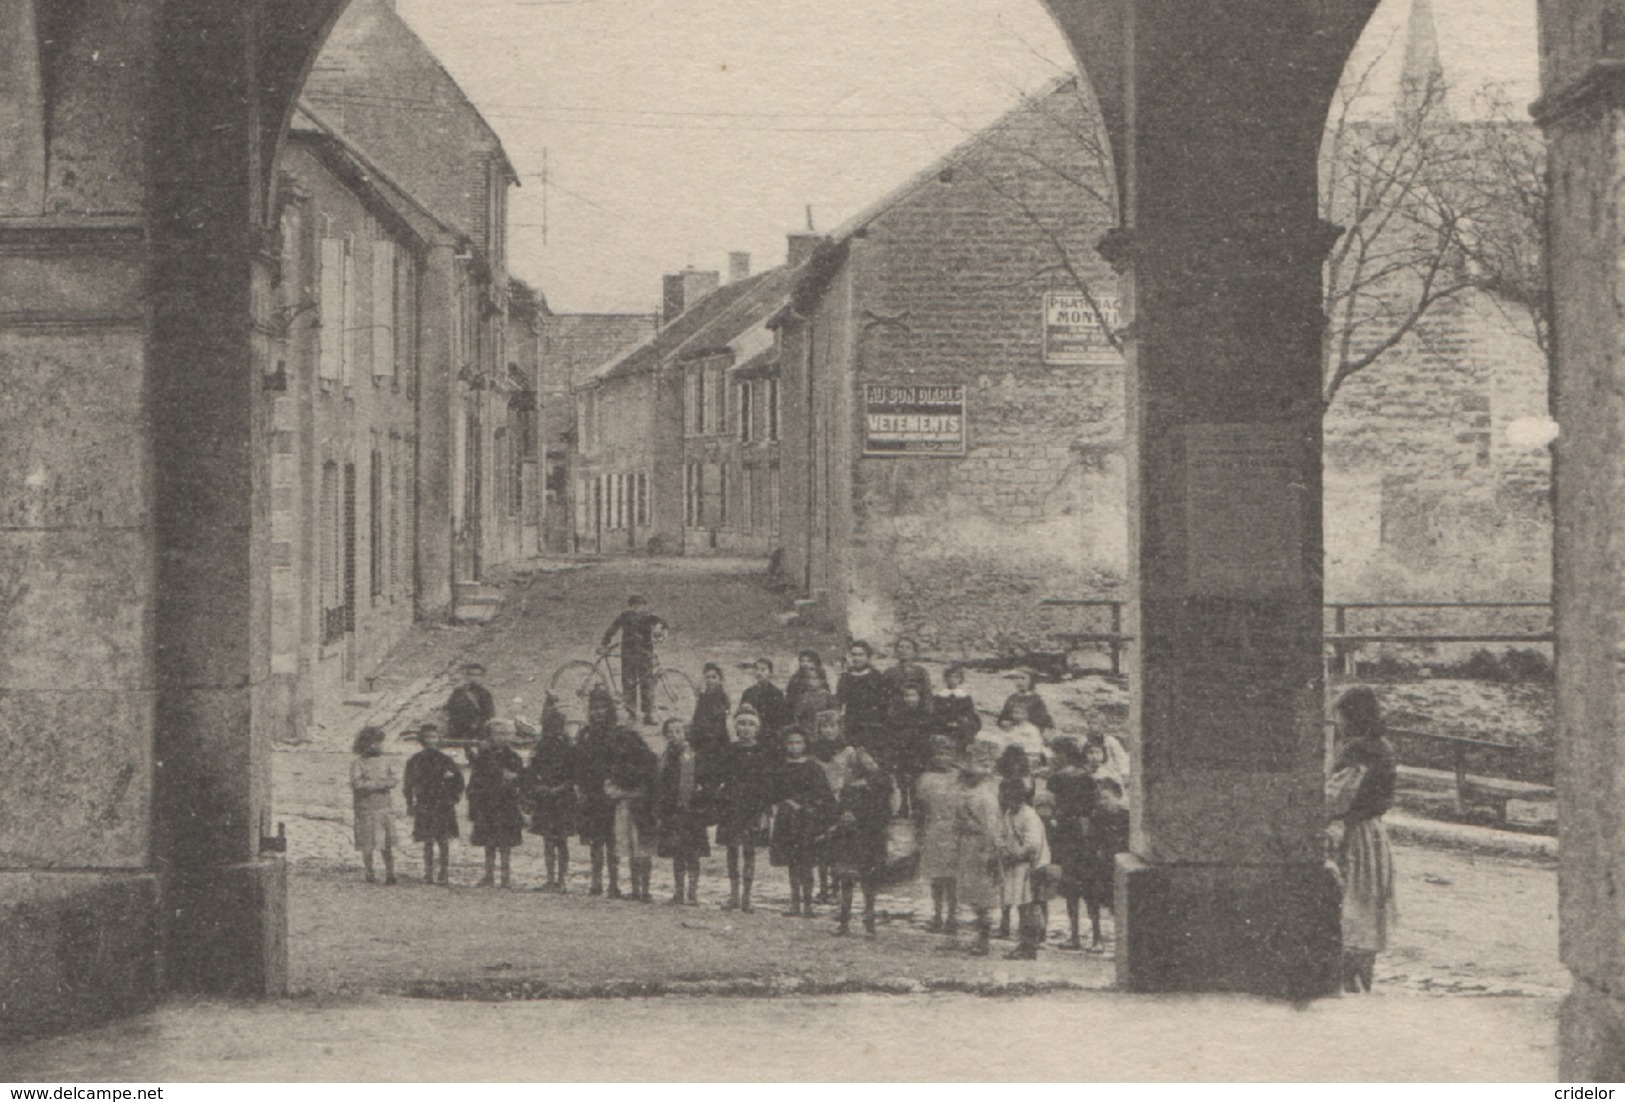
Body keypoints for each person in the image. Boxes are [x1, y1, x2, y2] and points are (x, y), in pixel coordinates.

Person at [1329, 686, 1399, 993]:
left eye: (1341, 717)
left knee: (1350, 910)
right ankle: (1363, 983)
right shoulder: (1383, 746)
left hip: (1354, 835)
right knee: (1369, 912)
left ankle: (1349, 986)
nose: (1339, 724)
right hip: (1374, 835)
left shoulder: (1356, 749)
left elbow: (1337, 797)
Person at [823, 750, 894, 938]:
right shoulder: (849, 781)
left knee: (868, 883)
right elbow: (840, 805)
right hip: (849, 837)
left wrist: (860, 817)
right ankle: (844, 921)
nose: (867, 764)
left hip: (870, 837)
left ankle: (869, 924)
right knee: (845, 880)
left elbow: (884, 810)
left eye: (870, 761)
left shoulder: (883, 782)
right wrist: (844, 814)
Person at [714, 706, 775, 912]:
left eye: (750, 724)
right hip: (732, 805)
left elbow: (767, 783)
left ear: (757, 728)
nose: (746, 728)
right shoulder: (729, 750)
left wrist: (765, 810)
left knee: (749, 850)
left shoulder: (763, 752)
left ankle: (747, 896)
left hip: (753, 807)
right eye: (741, 724)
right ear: (736, 727)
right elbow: (720, 776)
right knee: (732, 849)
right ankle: (733, 895)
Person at [769, 728, 835, 917]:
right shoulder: (781, 767)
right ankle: (794, 902)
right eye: (790, 743)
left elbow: (823, 793)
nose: (794, 746)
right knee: (792, 862)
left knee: (806, 862)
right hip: (787, 819)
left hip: (807, 819)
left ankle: (808, 904)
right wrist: (787, 802)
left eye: (798, 742)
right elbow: (774, 791)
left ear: (805, 744)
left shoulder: (813, 767)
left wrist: (805, 804)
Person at [949, 740, 1005, 955]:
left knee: (982, 895)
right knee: (971, 893)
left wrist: (989, 851)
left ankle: (984, 939)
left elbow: (990, 828)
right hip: (967, 847)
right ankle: (976, 936)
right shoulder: (965, 792)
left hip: (981, 848)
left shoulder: (985, 796)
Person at [1044, 737, 1098, 950]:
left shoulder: (1057, 779)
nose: (1052, 758)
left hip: (1070, 835)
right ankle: (1090, 938)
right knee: (1082, 886)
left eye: (1055, 753)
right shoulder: (1084, 777)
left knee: (1075, 886)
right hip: (1078, 835)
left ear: (1063, 755)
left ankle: (1079, 936)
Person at [573, 686, 624, 896]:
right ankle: (596, 881)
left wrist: (615, 783)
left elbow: (622, 761)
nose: (597, 712)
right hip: (591, 792)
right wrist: (581, 787)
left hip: (610, 792)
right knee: (595, 840)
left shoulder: (617, 733)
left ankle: (614, 882)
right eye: (594, 708)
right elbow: (578, 762)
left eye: (602, 708)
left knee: (612, 840)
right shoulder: (585, 733)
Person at [655, 717, 711, 905]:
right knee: (677, 852)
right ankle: (679, 891)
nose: (674, 735)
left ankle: (693, 893)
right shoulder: (664, 756)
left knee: (693, 853)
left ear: (685, 733)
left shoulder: (693, 755)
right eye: (670, 732)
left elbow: (702, 779)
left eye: (678, 731)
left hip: (692, 811)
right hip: (673, 811)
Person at [525, 698, 578, 893]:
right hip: (547, 796)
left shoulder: (569, 747)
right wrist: (540, 787)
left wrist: (559, 787)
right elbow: (532, 770)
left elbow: (575, 773)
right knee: (549, 839)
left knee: (560, 840)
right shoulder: (542, 747)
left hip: (562, 796)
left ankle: (561, 879)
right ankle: (551, 879)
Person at [606, 717, 660, 903]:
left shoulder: (647, 761)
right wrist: (629, 793)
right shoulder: (616, 762)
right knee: (631, 848)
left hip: (641, 811)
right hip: (625, 809)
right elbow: (609, 787)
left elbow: (650, 787)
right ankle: (637, 888)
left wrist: (630, 794)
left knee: (642, 848)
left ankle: (644, 889)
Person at [997, 775, 1052, 960]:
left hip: (1031, 866)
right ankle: (1025, 944)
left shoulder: (1028, 815)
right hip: (1016, 865)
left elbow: (1033, 844)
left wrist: (1016, 855)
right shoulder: (1009, 814)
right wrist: (1004, 850)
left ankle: (1030, 945)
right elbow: (1003, 835)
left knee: (1028, 906)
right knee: (1021, 905)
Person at [466, 719, 525, 888]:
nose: (502, 737)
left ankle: (505, 877)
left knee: (506, 843)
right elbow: (477, 778)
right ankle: (489, 875)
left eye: (506, 734)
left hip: (507, 803)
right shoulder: (483, 757)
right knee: (489, 842)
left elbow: (517, 778)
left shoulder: (513, 757)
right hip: (487, 803)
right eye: (498, 733)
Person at [403, 722, 463, 886]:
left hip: (443, 804)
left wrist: (454, 798)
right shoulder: (415, 760)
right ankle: (428, 873)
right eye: (427, 737)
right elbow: (408, 784)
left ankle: (443, 872)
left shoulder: (446, 760)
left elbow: (459, 781)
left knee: (443, 840)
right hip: (425, 803)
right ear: (422, 739)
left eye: (434, 737)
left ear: (439, 739)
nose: (431, 740)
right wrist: (410, 803)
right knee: (427, 840)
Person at [914, 734, 963, 934]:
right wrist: (919, 834)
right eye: (938, 754)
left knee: (954, 877)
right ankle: (937, 914)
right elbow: (920, 809)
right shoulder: (925, 779)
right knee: (936, 876)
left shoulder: (960, 777)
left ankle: (952, 917)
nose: (943, 758)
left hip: (956, 830)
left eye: (947, 753)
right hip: (934, 829)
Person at [1079, 774, 1129, 953]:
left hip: (1117, 864)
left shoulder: (1126, 817)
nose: (1102, 802)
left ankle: (1122, 940)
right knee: (1092, 898)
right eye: (1099, 798)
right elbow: (1090, 841)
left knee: (1118, 905)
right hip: (1099, 865)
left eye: (1106, 798)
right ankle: (1096, 937)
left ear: (1118, 796)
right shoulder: (1096, 817)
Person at [600, 594, 667, 725]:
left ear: (644, 606)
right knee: (629, 683)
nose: (637, 608)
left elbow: (663, 624)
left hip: (645, 654)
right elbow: (613, 628)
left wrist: (660, 632)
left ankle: (648, 714)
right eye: (634, 605)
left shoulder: (650, 616)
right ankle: (631, 713)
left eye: (640, 605)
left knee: (646, 683)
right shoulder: (625, 616)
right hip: (629, 654)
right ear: (630, 606)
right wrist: (605, 641)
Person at [349, 726, 398, 885]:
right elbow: (357, 784)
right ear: (369, 744)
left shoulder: (385, 762)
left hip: (384, 808)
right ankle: (370, 872)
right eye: (378, 743)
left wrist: (388, 783)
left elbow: (393, 779)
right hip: (366, 809)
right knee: (367, 843)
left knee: (387, 843)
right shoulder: (358, 763)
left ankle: (390, 873)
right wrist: (378, 785)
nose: (381, 746)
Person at [880, 682, 934, 817]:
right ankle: (903, 807)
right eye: (906, 695)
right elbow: (890, 736)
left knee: (919, 785)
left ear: (919, 697)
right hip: (902, 754)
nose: (910, 698)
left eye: (913, 695)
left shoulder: (926, 715)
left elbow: (929, 737)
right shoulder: (896, 716)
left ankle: (918, 810)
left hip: (920, 754)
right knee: (902, 784)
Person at [837, 641, 891, 757]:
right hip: (852, 722)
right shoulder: (846, 677)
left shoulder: (876, 676)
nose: (856, 658)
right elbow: (840, 701)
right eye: (854, 655)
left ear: (868, 657)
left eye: (860, 655)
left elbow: (883, 702)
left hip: (872, 722)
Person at [444, 661, 496, 757]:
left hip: (477, 729)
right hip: (459, 728)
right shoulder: (458, 692)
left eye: (477, 675)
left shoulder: (485, 694)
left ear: (482, 677)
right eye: (471, 675)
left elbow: (489, 714)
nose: (474, 678)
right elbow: (450, 709)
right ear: (467, 676)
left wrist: (477, 723)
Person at [739, 658, 789, 753]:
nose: (759, 672)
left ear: (770, 673)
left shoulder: (777, 693)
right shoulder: (748, 692)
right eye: (757, 669)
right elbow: (741, 716)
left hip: (770, 736)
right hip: (752, 735)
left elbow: (781, 718)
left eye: (763, 670)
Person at [689, 662, 732, 762]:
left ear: (720, 680)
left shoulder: (722, 697)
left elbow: (719, 717)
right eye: (707, 677)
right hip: (702, 735)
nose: (710, 680)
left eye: (714, 677)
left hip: (716, 737)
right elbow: (697, 715)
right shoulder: (703, 697)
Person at [935, 665, 982, 749]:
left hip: (960, 722)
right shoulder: (940, 696)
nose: (953, 680)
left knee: (968, 725)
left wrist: (961, 719)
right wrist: (946, 720)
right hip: (944, 722)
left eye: (956, 677)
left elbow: (969, 711)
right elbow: (937, 711)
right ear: (946, 679)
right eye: (950, 677)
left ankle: (963, 747)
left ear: (960, 679)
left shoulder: (965, 696)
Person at [785, 649, 831, 730]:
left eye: (809, 661)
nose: (805, 664)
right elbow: (789, 702)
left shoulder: (821, 677)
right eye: (803, 661)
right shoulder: (795, 679)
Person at [997, 700, 1047, 773]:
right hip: (1013, 755)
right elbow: (1006, 741)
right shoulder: (1013, 728)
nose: (1016, 715)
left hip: (1028, 755)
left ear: (1027, 715)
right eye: (1015, 713)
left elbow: (1035, 745)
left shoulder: (1031, 729)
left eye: (1020, 713)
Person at [884, 637, 934, 704]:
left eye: (908, 647)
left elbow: (927, 695)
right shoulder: (890, 672)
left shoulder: (921, 672)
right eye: (901, 647)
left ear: (914, 652)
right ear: (896, 651)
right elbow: (884, 695)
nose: (904, 650)